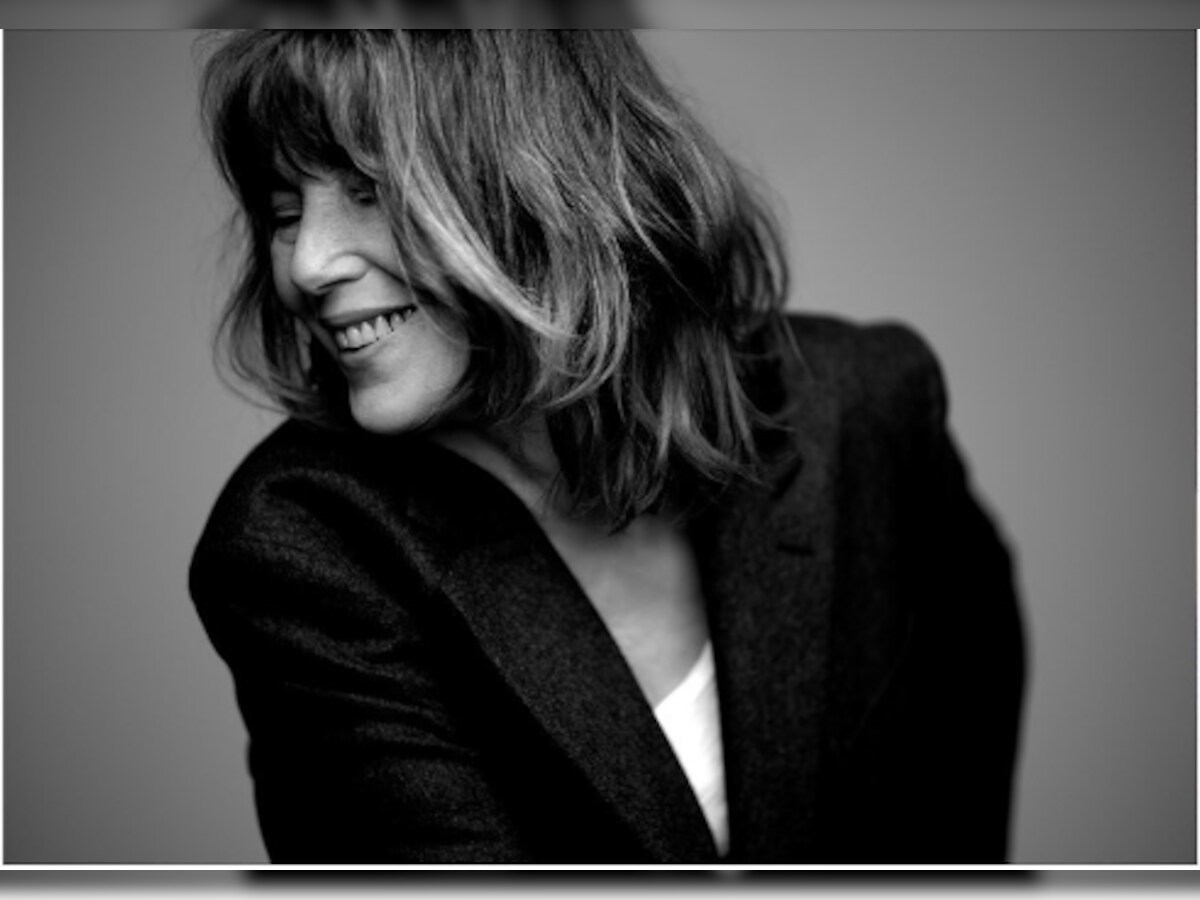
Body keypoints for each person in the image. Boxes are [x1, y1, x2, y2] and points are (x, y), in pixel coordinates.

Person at [189, 29, 1025, 864]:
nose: (308, 264)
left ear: (546, 177)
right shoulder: (303, 549)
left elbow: (960, 795)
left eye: (369, 190)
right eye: (285, 212)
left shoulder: (867, 409)